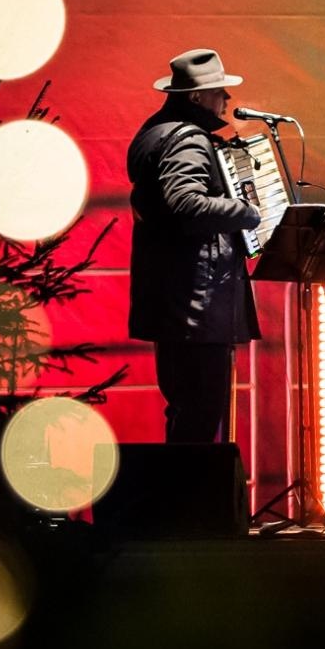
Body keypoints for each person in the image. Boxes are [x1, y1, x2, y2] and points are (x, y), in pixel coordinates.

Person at [127, 48, 262, 442]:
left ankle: (182, 501)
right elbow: (185, 203)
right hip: (197, 307)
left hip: (174, 305)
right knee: (201, 418)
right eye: (220, 92)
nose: (227, 101)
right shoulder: (188, 139)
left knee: (185, 412)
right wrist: (247, 211)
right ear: (196, 97)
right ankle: (190, 501)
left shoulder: (156, 133)